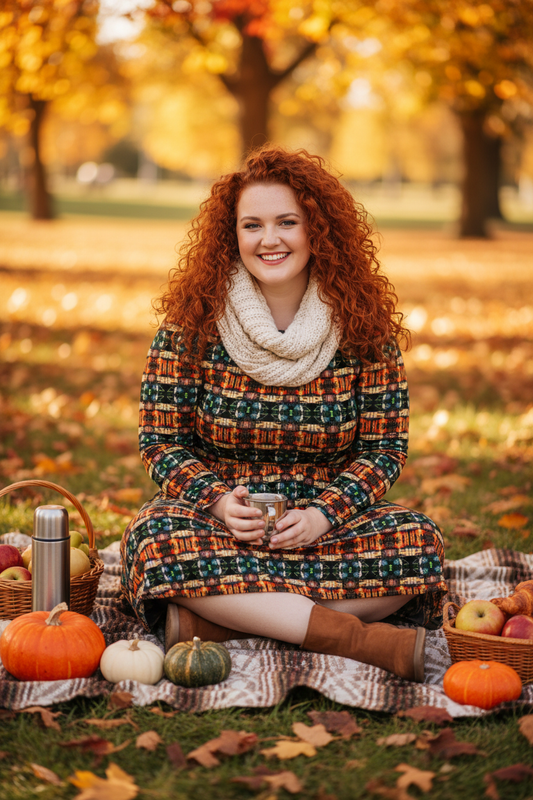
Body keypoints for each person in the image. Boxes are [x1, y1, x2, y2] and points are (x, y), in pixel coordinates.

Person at [120, 146, 446, 683]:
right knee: (155, 541)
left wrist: (323, 514)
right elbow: (160, 440)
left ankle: (225, 621)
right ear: (233, 236)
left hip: (326, 521)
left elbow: (384, 448)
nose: (269, 240)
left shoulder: (363, 329)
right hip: (220, 519)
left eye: (287, 222)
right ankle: (353, 638)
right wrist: (220, 503)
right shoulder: (189, 327)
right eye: (252, 225)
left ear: (318, 229)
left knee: (418, 541)